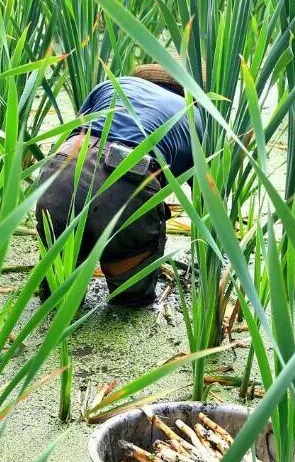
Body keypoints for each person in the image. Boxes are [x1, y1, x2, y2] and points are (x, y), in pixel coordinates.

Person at [36, 63, 203, 307]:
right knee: (130, 301)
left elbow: (77, 131)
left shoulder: (111, 86)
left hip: (63, 171)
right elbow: (204, 198)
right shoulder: (192, 114)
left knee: (57, 297)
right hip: (128, 184)